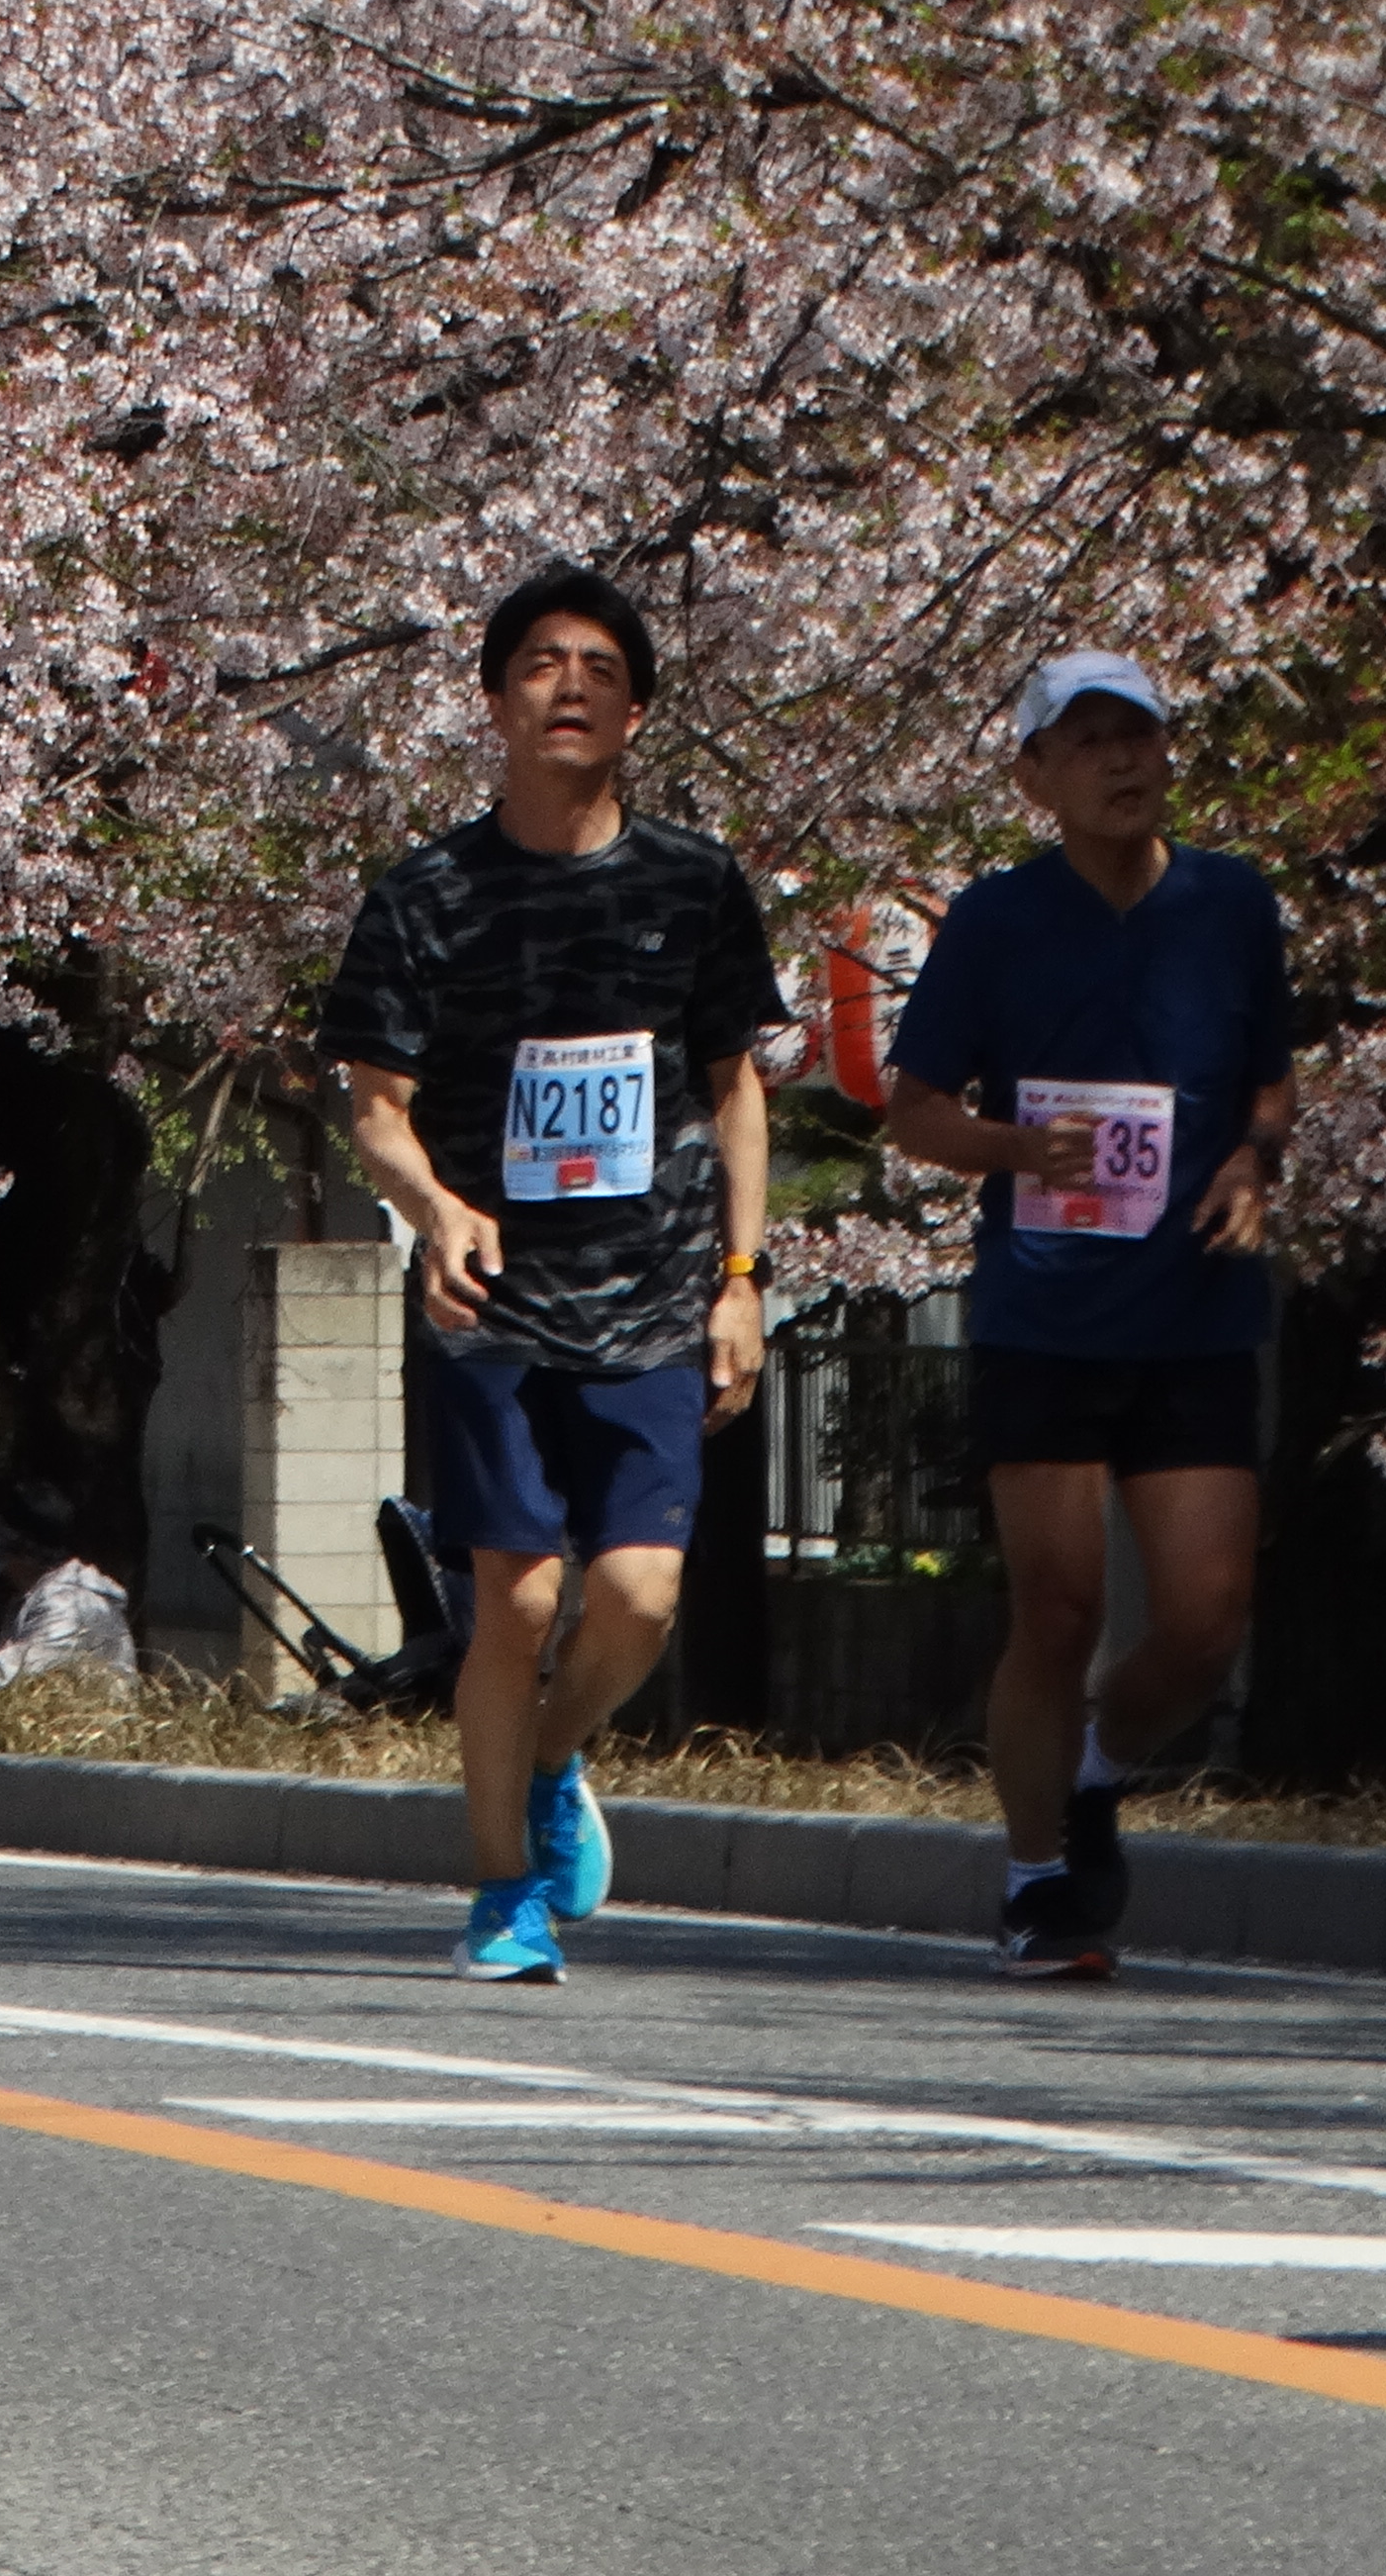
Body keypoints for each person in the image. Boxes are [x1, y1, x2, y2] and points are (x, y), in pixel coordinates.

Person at [325, 564, 783, 1986]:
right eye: (536, 661)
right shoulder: (428, 894)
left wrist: (743, 1275)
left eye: (597, 665)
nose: (567, 682)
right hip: (493, 1307)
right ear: (494, 699)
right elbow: (373, 1105)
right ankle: (503, 1892)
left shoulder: (694, 883)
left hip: (652, 1296)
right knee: (515, 1600)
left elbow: (736, 1090)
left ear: (636, 710)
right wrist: (437, 1209)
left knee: (640, 1596)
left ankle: (551, 1755)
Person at [874, 651, 1300, 1985]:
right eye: (1091, 741)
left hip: (1194, 1310)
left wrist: (1249, 1163)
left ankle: (1099, 1769)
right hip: (1047, 1311)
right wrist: (1018, 1150)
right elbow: (913, 1108)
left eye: (1142, 737)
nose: (1124, 762)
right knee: (1056, 1609)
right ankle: (1036, 1874)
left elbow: (1271, 1083)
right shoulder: (999, 921)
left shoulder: (1232, 905)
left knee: (1205, 1621)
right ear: (1035, 775)